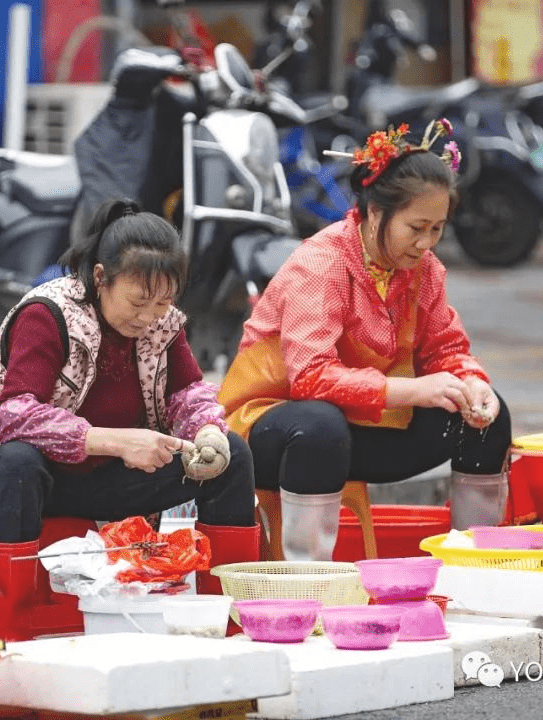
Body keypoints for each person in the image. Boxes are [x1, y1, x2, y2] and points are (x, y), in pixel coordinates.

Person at [0, 199, 258, 640]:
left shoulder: (163, 324)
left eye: (164, 301)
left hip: (102, 480)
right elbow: (15, 416)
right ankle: (12, 632)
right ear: (101, 278)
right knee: (17, 462)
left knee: (234, 456)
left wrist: (206, 430)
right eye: (140, 301)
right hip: (20, 483)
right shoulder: (47, 314)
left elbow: (187, 393)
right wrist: (119, 442)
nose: (150, 317)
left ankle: (227, 623)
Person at [217, 120, 512, 561]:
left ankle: (473, 567)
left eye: (437, 228)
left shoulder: (423, 271)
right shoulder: (323, 264)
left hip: (360, 424)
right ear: (375, 212)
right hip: (271, 425)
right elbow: (310, 379)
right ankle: (306, 581)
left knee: (486, 418)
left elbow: (444, 349)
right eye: (416, 227)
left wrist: (472, 382)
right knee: (318, 427)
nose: (427, 243)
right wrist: (415, 389)